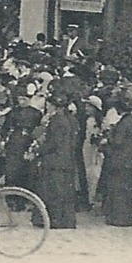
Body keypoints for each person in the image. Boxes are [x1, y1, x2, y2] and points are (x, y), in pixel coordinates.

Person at [33, 86, 79, 230]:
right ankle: (63, 220)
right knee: (62, 190)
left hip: (55, 160)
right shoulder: (67, 119)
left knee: (53, 190)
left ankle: (55, 220)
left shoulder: (57, 120)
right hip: (64, 159)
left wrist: (38, 151)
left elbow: (53, 143)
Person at [99, 89, 132, 227]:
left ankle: (120, 218)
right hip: (130, 161)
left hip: (121, 161)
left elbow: (117, 142)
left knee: (119, 190)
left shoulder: (125, 123)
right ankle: (128, 216)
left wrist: (107, 139)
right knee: (127, 189)